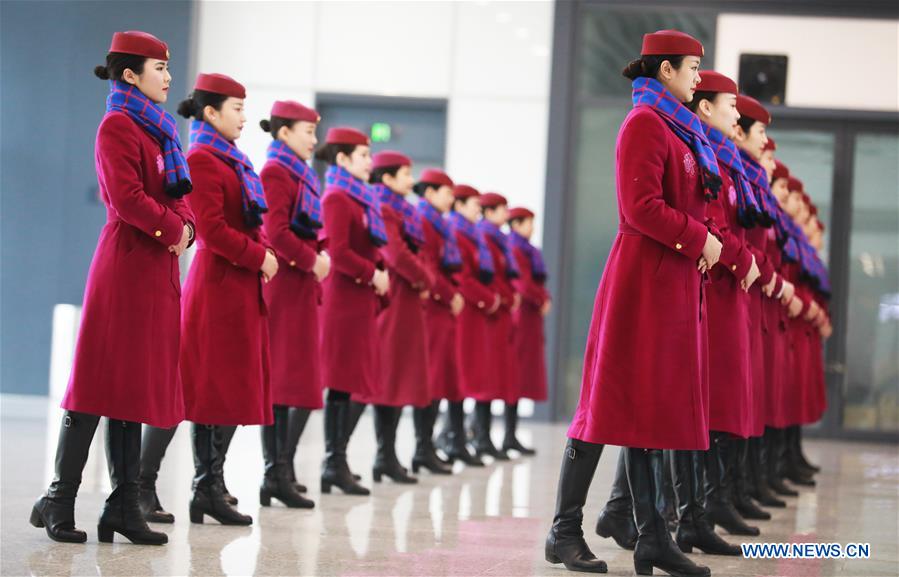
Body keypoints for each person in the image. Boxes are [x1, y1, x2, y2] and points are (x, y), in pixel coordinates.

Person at [548, 30, 721, 577]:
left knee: (645, 410)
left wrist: (704, 240)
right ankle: (563, 532)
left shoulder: (678, 127)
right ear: (665, 70)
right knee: (604, 406)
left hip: (667, 283)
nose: (699, 76)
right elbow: (641, 207)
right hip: (640, 286)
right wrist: (700, 239)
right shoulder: (644, 123)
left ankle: (653, 538)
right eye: (693, 67)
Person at [31, 31, 193, 545]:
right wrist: (174, 230)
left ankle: (122, 507)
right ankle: (59, 498)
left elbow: (178, 196)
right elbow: (127, 199)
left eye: (168, 68)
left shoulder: (161, 131)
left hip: (158, 270)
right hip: (125, 267)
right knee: (98, 384)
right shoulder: (117, 126)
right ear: (130, 74)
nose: (168, 77)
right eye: (159, 68)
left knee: (134, 390)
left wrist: (187, 227)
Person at [179, 73, 277, 525]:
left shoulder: (233, 159)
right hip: (219, 286)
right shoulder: (202, 159)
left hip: (241, 287)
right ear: (211, 112)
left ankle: (212, 485)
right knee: (216, 391)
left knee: (235, 390)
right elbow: (212, 232)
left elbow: (247, 221)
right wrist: (260, 256)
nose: (243, 116)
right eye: (235, 107)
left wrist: (263, 252)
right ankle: (206, 486)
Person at [259, 99, 330, 508]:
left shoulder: (301, 173)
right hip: (285, 287)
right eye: (308, 132)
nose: (314, 140)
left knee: (298, 384)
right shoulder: (275, 172)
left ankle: (282, 469)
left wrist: (319, 257)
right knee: (282, 384)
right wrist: (312, 260)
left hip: (302, 287)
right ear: (285, 132)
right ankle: (276, 471)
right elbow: (276, 231)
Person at [316, 127, 387, 496]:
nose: (369, 162)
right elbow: (339, 252)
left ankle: (337, 460)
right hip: (342, 300)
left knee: (350, 385)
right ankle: (332, 462)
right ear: (342, 159)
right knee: (341, 385)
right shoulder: (337, 198)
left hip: (359, 301)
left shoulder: (359, 197)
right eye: (363, 155)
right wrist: (372, 273)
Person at [415, 170, 484, 467]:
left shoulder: (442, 224)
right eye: (447, 192)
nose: (450, 199)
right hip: (434, 308)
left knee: (448, 381)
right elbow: (428, 266)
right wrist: (450, 294)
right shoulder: (426, 222)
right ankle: (424, 448)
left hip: (447, 310)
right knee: (430, 381)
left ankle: (445, 442)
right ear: (430, 193)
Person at [507, 207, 551, 455]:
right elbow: (522, 283)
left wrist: (544, 298)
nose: (531, 228)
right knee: (514, 375)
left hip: (530, 318)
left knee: (520, 377)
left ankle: (511, 435)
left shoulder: (528, 250)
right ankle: (505, 435)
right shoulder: (514, 248)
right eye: (527, 223)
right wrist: (540, 299)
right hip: (520, 317)